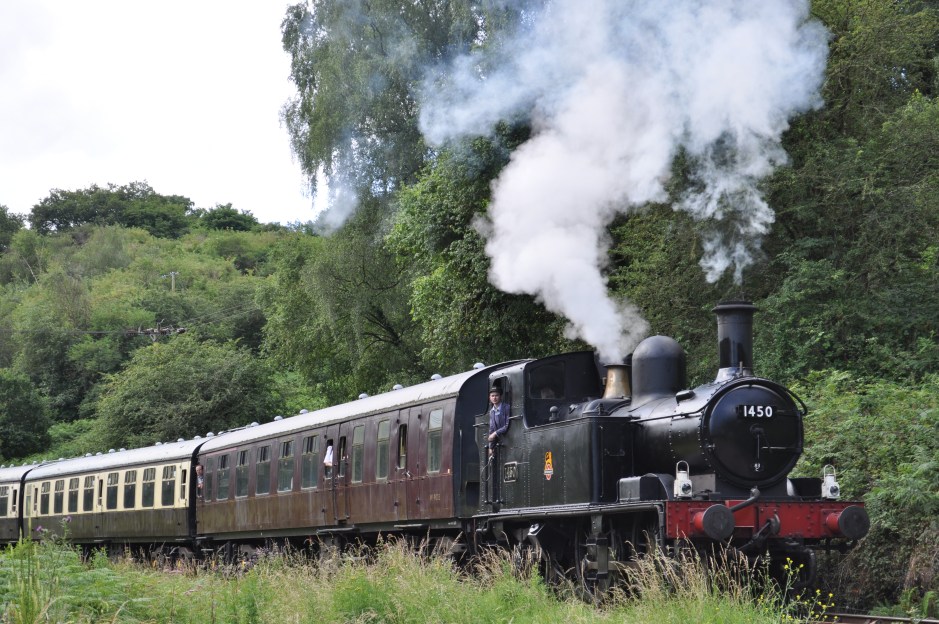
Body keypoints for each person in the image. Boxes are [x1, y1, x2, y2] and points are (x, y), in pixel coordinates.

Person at [487, 386, 510, 455]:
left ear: (500, 397)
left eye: (496, 395)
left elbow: (507, 425)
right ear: (490, 398)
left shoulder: (507, 408)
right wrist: (491, 447)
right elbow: (491, 429)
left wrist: (495, 433)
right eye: (492, 396)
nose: (494, 398)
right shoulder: (491, 412)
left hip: (509, 440)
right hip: (501, 443)